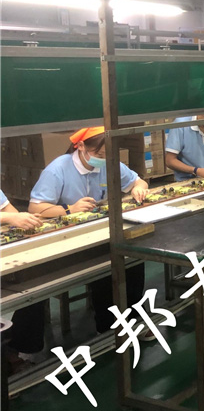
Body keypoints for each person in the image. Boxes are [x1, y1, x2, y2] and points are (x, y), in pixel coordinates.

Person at [10, 127, 150, 357]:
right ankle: (108, 328)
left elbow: (138, 181)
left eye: (107, 155)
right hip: (66, 239)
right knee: (96, 269)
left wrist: (138, 190)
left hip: (99, 233)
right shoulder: (58, 169)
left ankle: (127, 323)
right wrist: (69, 209)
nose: (104, 159)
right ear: (81, 146)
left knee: (131, 259)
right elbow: (36, 208)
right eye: (99, 154)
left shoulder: (109, 164)